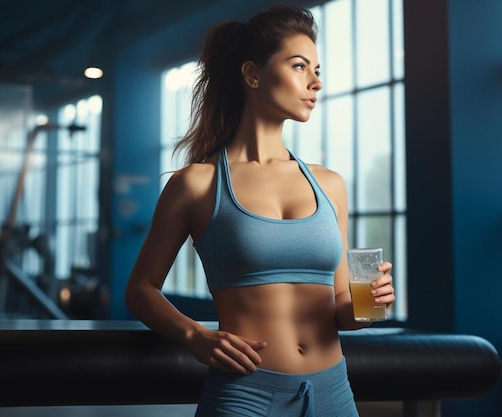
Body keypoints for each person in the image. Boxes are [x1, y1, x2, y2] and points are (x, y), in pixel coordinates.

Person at [124, 4, 395, 416]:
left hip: (333, 393)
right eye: (301, 66)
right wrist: (196, 336)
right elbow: (140, 290)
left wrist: (370, 305)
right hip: (245, 396)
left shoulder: (329, 184)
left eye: (318, 71)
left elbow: (341, 304)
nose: (316, 83)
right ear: (252, 74)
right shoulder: (197, 183)